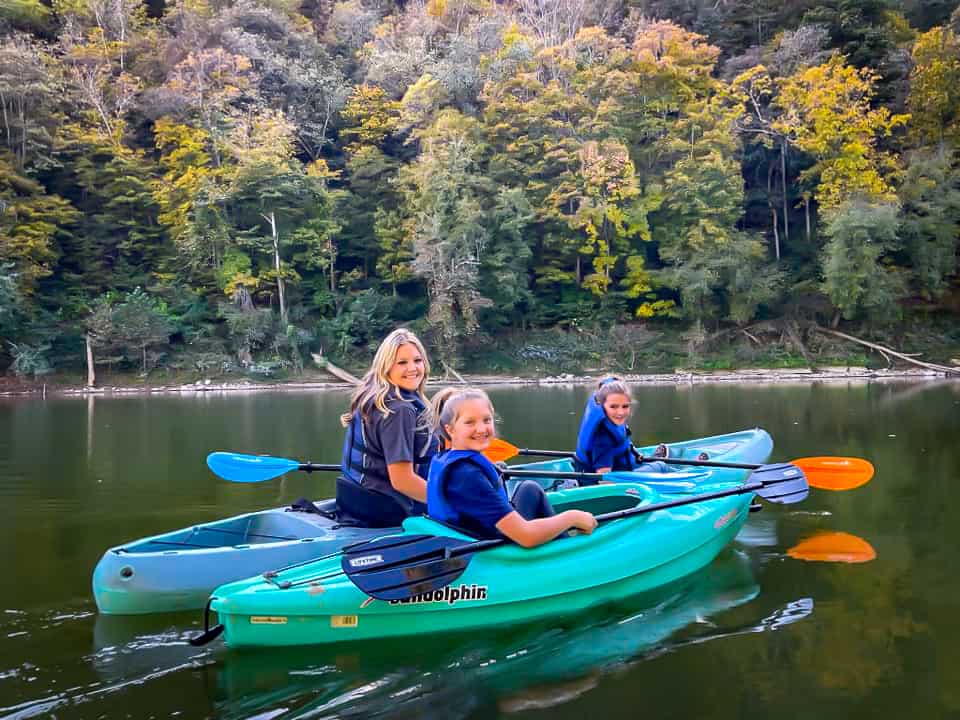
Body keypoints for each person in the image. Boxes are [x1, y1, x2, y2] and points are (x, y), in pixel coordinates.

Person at [427, 388, 597, 547]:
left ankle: (562, 546)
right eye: (470, 422)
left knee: (529, 489)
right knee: (554, 511)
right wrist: (572, 518)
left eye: (486, 420)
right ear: (450, 430)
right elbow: (526, 536)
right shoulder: (468, 477)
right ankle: (566, 555)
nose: (481, 429)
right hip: (493, 548)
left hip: (481, 530)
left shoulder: (445, 459)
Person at [336, 328, 440, 527]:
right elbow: (402, 481)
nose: (413, 368)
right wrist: (451, 503)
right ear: (386, 367)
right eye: (402, 362)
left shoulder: (373, 397)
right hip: (388, 508)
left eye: (417, 360)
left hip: (358, 500)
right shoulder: (399, 410)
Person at [573, 376, 704, 478]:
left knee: (649, 463)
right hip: (616, 478)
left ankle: (659, 463)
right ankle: (690, 472)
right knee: (661, 466)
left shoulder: (609, 420)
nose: (620, 412)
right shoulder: (603, 438)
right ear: (602, 406)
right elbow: (604, 478)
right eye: (613, 406)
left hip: (625, 465)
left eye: (625, 406)